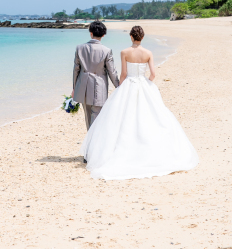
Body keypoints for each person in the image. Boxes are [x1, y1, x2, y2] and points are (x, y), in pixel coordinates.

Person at [82, 24, 198, 180]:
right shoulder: (148, 53)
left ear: (131, 36)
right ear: (142, 37)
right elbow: (153, 74)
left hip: (129, 84)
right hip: (143, 84)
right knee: (150, 116)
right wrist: (147, 83)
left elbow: (123, 73)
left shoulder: (125, 52)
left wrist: (120, 87)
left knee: (123, 118)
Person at [72, 19, 120, 130]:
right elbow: (112, 71)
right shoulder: (106, 51)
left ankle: (90, 144)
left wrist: (75, 88)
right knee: (98, 119)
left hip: (83, 87)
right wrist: (118, 86)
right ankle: (95, 144)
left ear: (91, 33)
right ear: (103, 35)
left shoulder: (80, 48)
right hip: (99, 88)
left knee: (88, 119)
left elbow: (76, 70)